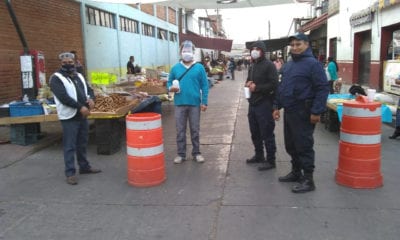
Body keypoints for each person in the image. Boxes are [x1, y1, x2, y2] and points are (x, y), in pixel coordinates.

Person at [273, 33, 329, 193]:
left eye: (299, 44)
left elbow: (322, 88)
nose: (295, 47)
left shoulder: (313, 65)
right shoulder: (289, 65)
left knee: (304, 145)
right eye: (293, 45)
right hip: (290, 111)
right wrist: (276, 106)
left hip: (304, 112)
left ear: (306, 45)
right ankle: (296, 172)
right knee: (291, 144)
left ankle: (308, 179)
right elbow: (282, 87)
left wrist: (317, 111)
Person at [50, 52, 101, 185]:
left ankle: (84, 167)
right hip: (69, 116)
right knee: (70, 145)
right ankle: (70, 173)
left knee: (82, 142)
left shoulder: (79, 75)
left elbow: (88, 90)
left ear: (74, 62)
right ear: (60, 64)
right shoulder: (56, 78)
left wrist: (91, 99)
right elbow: (63, 97)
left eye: (70, 62)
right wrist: (80, 107)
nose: (68, 65)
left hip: (82, 115)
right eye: (65, 63)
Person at [167, 40, 209, 164]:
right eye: (184, 51)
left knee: (195, 130)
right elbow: (169, 82)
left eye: (189, 51)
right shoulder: (175, 68)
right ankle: (181, 154)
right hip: (179, 103)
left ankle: (196, 153)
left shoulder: (199, 67)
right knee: (180, 130)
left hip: (195, 104)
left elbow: (205, 86)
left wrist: (204, 102)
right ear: (180, 52)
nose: (186, 53)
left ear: (193, 52)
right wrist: (170, 88)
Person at [245, 41, 279, 171]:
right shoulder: (252, 65)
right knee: (255, 132)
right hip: (252, 104)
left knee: (267, 132)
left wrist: (257, 88)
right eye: (252, 49)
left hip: (264, 103)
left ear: (262, 51)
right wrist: (248, 83)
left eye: (257, 49)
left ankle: (271, 160)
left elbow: (274, 84)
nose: (254, 51)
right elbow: (248, 80)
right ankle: (259, 155)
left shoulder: (269, 65)